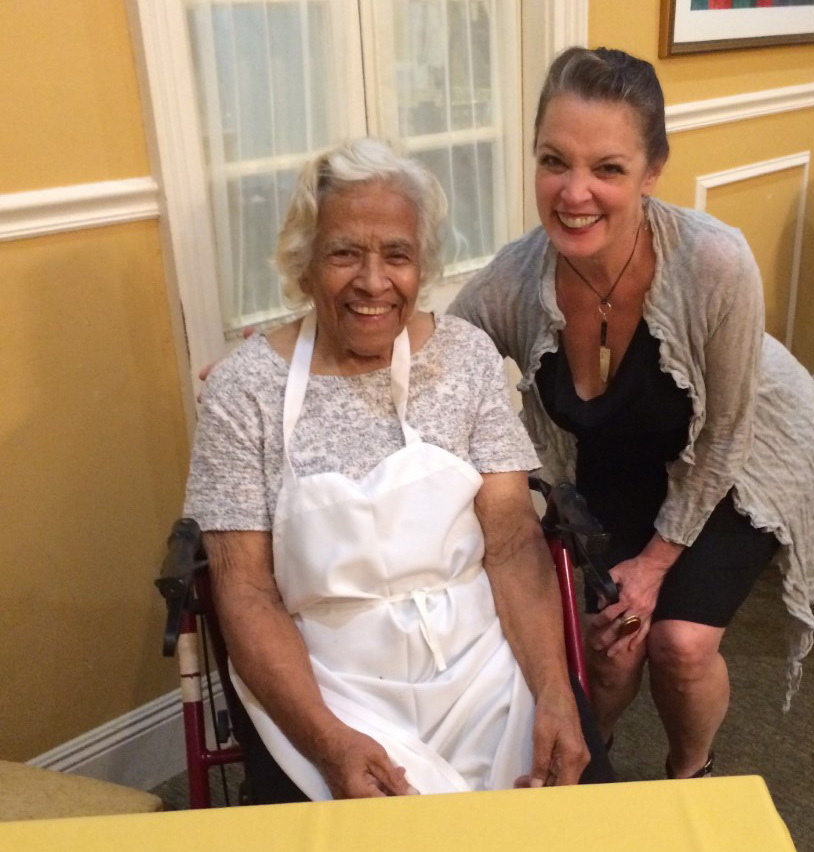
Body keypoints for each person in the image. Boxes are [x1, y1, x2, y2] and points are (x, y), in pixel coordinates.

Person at [449, 47, 814, 779]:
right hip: (621, 458)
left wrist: (656, 566)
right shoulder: (514, 279)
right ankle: (581, 782)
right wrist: (289, 359)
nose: (574, 192)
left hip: (742, 455)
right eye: (553, 161)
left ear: (652, 170)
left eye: (607, 168)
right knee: (609, 640)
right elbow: (430, 353)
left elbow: (726, 432)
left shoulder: (715, 262)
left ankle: (690, 774)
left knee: (679, 645)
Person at [183, 138, 611, 802]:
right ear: (304, 265)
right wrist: (329, 741)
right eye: (344, 253)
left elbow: (510, 542)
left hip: (483, 667)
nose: (374, 282)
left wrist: (556, 692)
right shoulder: (244, 392)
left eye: (397, 255)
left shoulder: (465, 358)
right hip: (328, 685)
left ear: (422, 266)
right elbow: (247, 592)